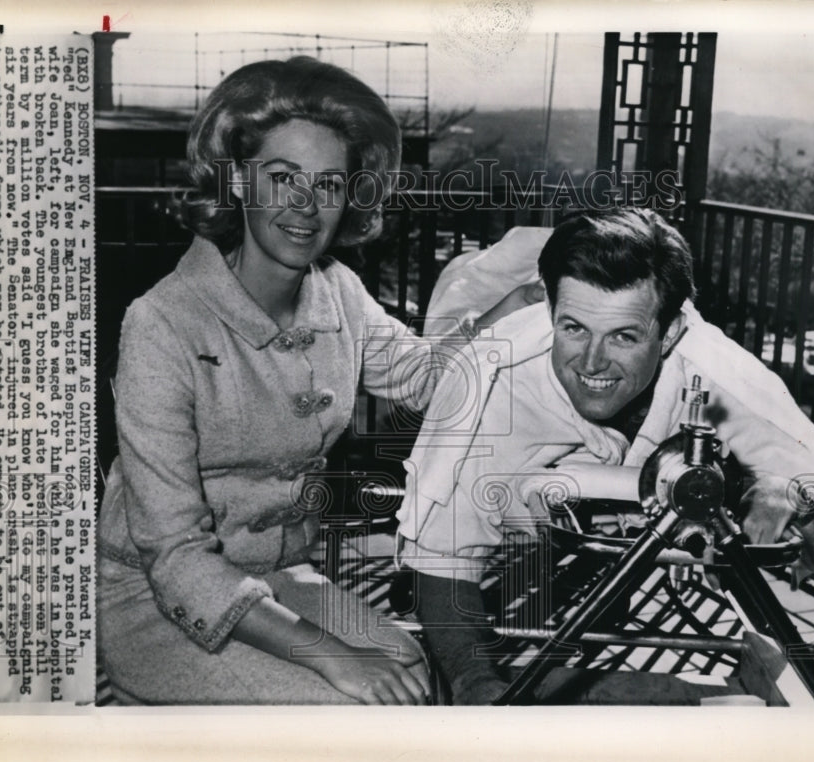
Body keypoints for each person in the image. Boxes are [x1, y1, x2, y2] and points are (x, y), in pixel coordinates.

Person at [96, 56, 535, 705]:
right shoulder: (162, 324)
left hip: (279, 577)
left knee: (414, 676)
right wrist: (332, 655)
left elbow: (423, 379)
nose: (306, 207)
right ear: (239, 180)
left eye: (328, 184)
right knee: (350, 706)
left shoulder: (339, 293)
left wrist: (510, 311)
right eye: (283, 178)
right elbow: (176, 561)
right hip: (155, 600)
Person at [396, 208, 814, 705]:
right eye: (573, 328)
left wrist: (800, 496)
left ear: (673, 331)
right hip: (481, 389)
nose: (591, 363)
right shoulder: (489, 382)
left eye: (624, 336)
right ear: (549, 309)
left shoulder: (722, 382)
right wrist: (475, 685)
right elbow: (440, 561)